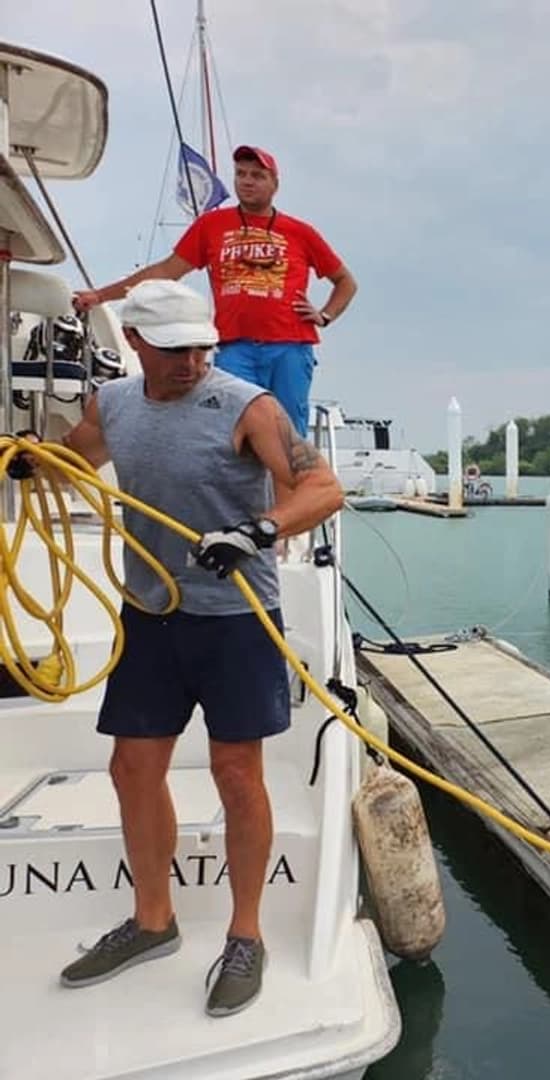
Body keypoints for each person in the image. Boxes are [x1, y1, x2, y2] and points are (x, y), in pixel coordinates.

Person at [36, 279, 344, 1016]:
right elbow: (76, 460)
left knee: (238, 772)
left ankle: (245, 934)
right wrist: (31, 462)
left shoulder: (245, 405)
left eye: (202, 344)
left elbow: (323, 488)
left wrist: (258, 532)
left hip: (235, 617)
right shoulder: (111, 404)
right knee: (131, 767)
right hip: (150, 613)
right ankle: (153, 920)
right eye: (175, 347)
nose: (194, 359)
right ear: (136, 344)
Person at [73, 145, 356, 436]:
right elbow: (166, 271)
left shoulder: (300, 231)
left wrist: (324, 315)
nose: (247, 181)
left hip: (289, 345)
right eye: (241, 174)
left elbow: (345, 282)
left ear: (275, 184)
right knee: (232, 426)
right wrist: (100, 295)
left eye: (257, 176)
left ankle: (290, 482)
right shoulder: (212, 225)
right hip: (235, 346)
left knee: (287, 431)